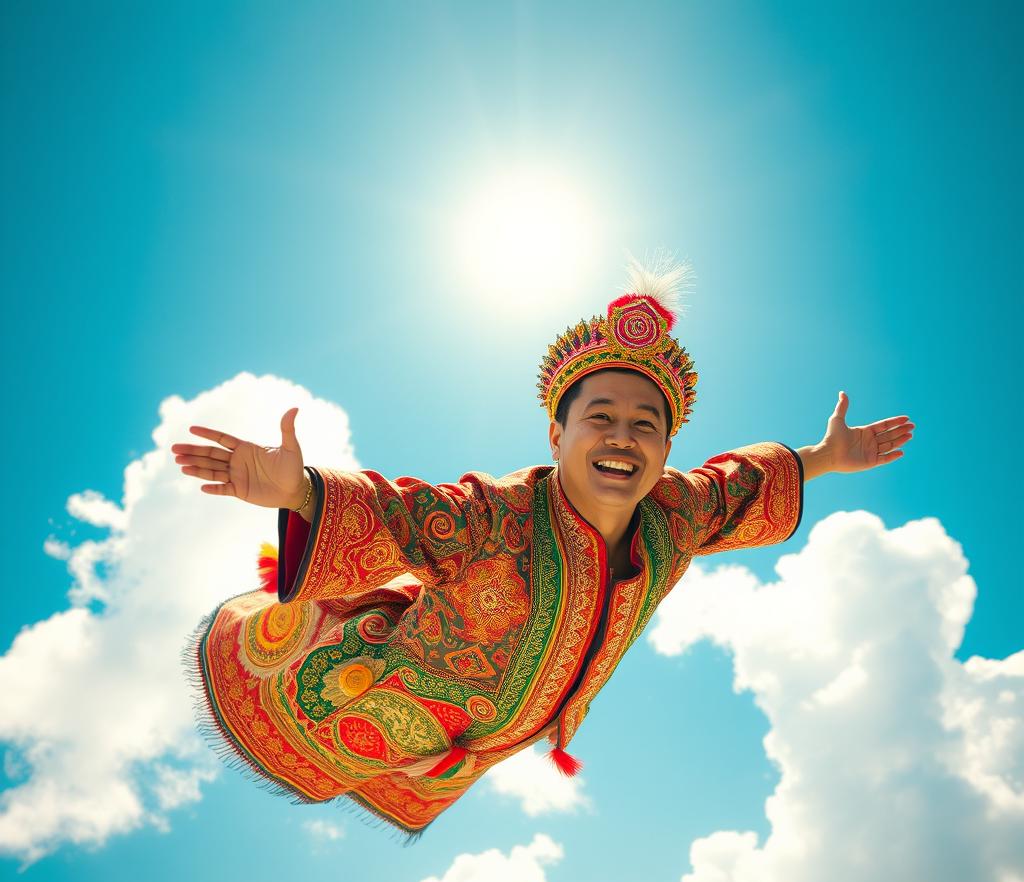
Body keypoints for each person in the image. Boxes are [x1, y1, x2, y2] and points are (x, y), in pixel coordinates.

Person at [175, 253, 915, 841]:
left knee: (428, 765)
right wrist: (299, 490)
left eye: (645, 423)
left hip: (477, 736)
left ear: (664, 449)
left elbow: (742, 479)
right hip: (383, 681)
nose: (623, 436)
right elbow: (403, 513)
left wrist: (823, 457)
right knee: (332, 709)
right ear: (558, 435)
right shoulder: (496, 516)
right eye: (601, 417)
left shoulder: (677, 515)